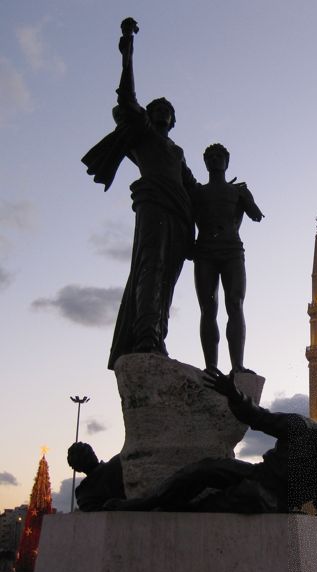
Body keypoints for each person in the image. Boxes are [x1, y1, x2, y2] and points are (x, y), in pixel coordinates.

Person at [104, 370, 317, 528]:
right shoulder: (300, 427)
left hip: (278, 500)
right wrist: (234, 395)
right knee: (209, 468)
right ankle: (146, 503)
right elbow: (257, 416)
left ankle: (181, 518)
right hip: (258, 473)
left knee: (244, 496)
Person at [82, 18, 198, 369]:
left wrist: (231, 199)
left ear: (174, 121)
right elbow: (126, 98)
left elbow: (196, 190)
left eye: (169, 110)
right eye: (158, 107)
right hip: (153, 204)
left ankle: (157, 334)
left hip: (179, 216)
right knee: (152, 265)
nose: (163, 111)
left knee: (168, 278)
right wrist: (128, 53)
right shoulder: (144, 133)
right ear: (150, 115)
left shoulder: (177, 152)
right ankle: (145, 334)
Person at [193, 144, 264, 374]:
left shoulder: (237, 191)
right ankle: (211, 366)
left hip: (232, 249)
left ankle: (237, 366)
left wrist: (247, 196)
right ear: (205, 162)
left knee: (235, 304)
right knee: (207, 307)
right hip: (204, 251)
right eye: (210, 157)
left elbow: (256, 216)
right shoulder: (198, 193)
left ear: (227, 161)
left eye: (219, 156)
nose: (215, 160)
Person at [67, 442, 125, 512]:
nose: (90, 456)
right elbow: (97, 514)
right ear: (77, 468)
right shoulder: (83, 492)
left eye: (90, 452)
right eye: (84, 456)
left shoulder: (117, 462)